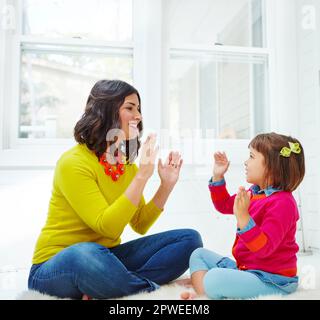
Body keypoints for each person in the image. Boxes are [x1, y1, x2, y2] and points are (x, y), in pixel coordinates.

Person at [28, 79, 203, 299]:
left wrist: (165, 185)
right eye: (130, 108)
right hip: (57, 266)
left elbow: (140, 223)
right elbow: (106, 227)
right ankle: (150, 290)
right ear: (106, 111)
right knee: (86, 253)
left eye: (138, 109)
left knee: (189, 240)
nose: (138, 116)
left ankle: (107, 284)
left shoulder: (124, 165)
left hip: (106, 258)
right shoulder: (73, 163)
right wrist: (142, 176)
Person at [181, 132, 305, 300]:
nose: (246, 162)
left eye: (252, 157)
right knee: (198, 254)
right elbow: (224, 205)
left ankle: (206, 287)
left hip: (272, 280)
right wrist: (218, 176)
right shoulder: (254, 193)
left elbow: (264, 249)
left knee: (214, 277)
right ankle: (205, 292)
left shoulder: (283, 203)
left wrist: (244, 217)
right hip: (247, 269)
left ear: (271, 166)